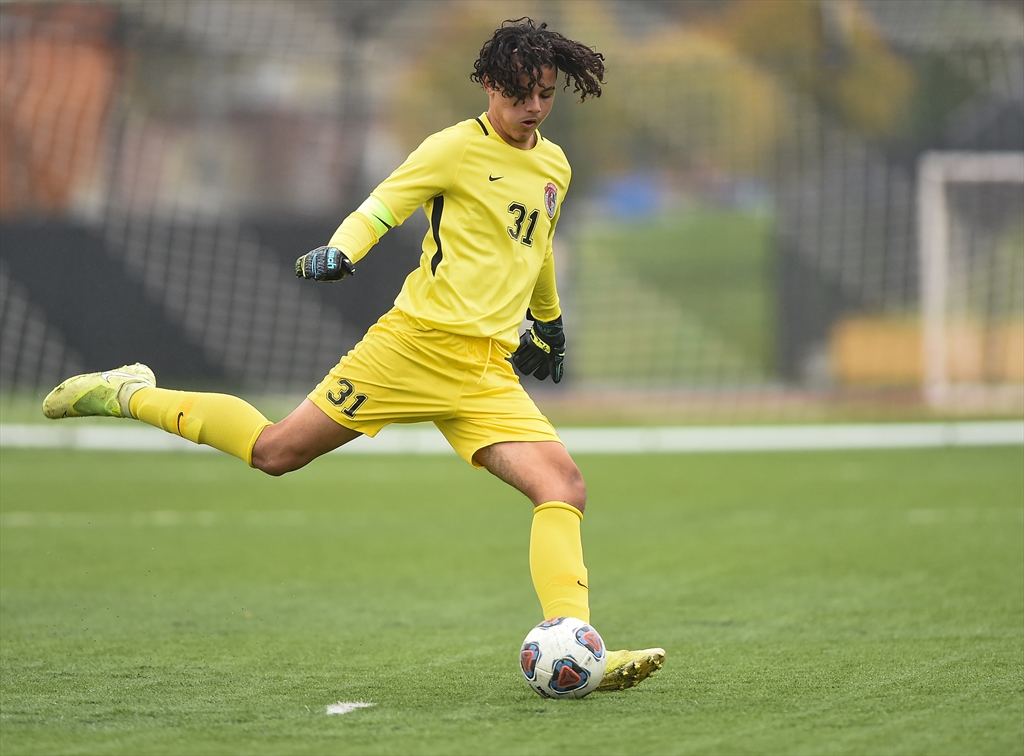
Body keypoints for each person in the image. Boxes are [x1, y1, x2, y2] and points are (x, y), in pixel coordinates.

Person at [42, 17, 664, 692]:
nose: (533, 108)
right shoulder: (453, 148)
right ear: (489, 85)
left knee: (563, 486)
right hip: (413, 349)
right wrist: (343, 249)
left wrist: (550, 325)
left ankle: (580, 650)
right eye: (520, 95)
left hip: (485, 370)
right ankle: (130, 391)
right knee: (276, 452)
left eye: (544, 94)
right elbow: (383, 205)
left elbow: (536, 247)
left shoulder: (554, 165)